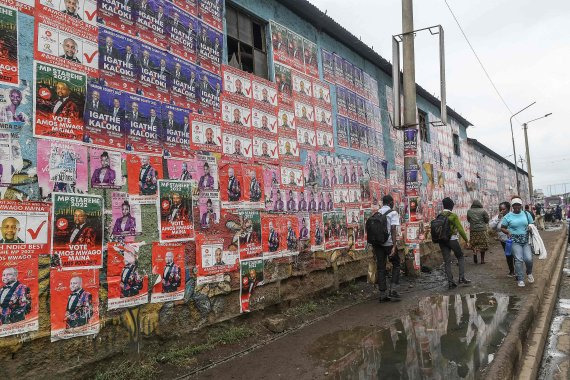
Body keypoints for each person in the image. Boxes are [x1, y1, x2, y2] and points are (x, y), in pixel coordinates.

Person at [370, 195, 402, 302]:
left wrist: (373, 247)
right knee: (396, 263)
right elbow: (393, 229)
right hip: (388, 244)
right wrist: (394, 245)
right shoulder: (393, 213)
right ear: (391, 203)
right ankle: (393, 290)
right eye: (393, 202)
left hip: (378, 244)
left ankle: (382, 294)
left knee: (381, 267)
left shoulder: (377, 213)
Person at [501, 197, 535, 287]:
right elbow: (502, 227)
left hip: (526, 240)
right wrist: (507, 231)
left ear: (521, 206)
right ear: (512, 206)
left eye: (518, 205)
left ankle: (529, 272)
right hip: (515, 241)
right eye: (515, 205)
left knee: (529, 259)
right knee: (518, 259)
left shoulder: (526, 214)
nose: (517, 207)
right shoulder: (508, 216)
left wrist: (530, 227)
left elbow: (532, 224)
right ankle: (520, 279)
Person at [438, 197, 471, 289]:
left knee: (447, 261)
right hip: (452, 239)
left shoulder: (439, 215)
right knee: (460, 256)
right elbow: (460, 229)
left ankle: (450, 282)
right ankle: (461, 278)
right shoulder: (453, 215)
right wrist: (467, 240)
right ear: (451, 206)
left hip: (442, 241)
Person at [489, 202, 515, 277]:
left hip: (513, 239)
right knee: (508, 255)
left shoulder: (512, 216)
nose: (502, 211)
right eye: (500, 209)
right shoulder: (498, 217)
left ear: (508, 209)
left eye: (503, 209)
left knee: (515, 255)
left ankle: (518, 271)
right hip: (504, 240)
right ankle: (511, 271)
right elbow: (492, 227)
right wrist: (498, 219)